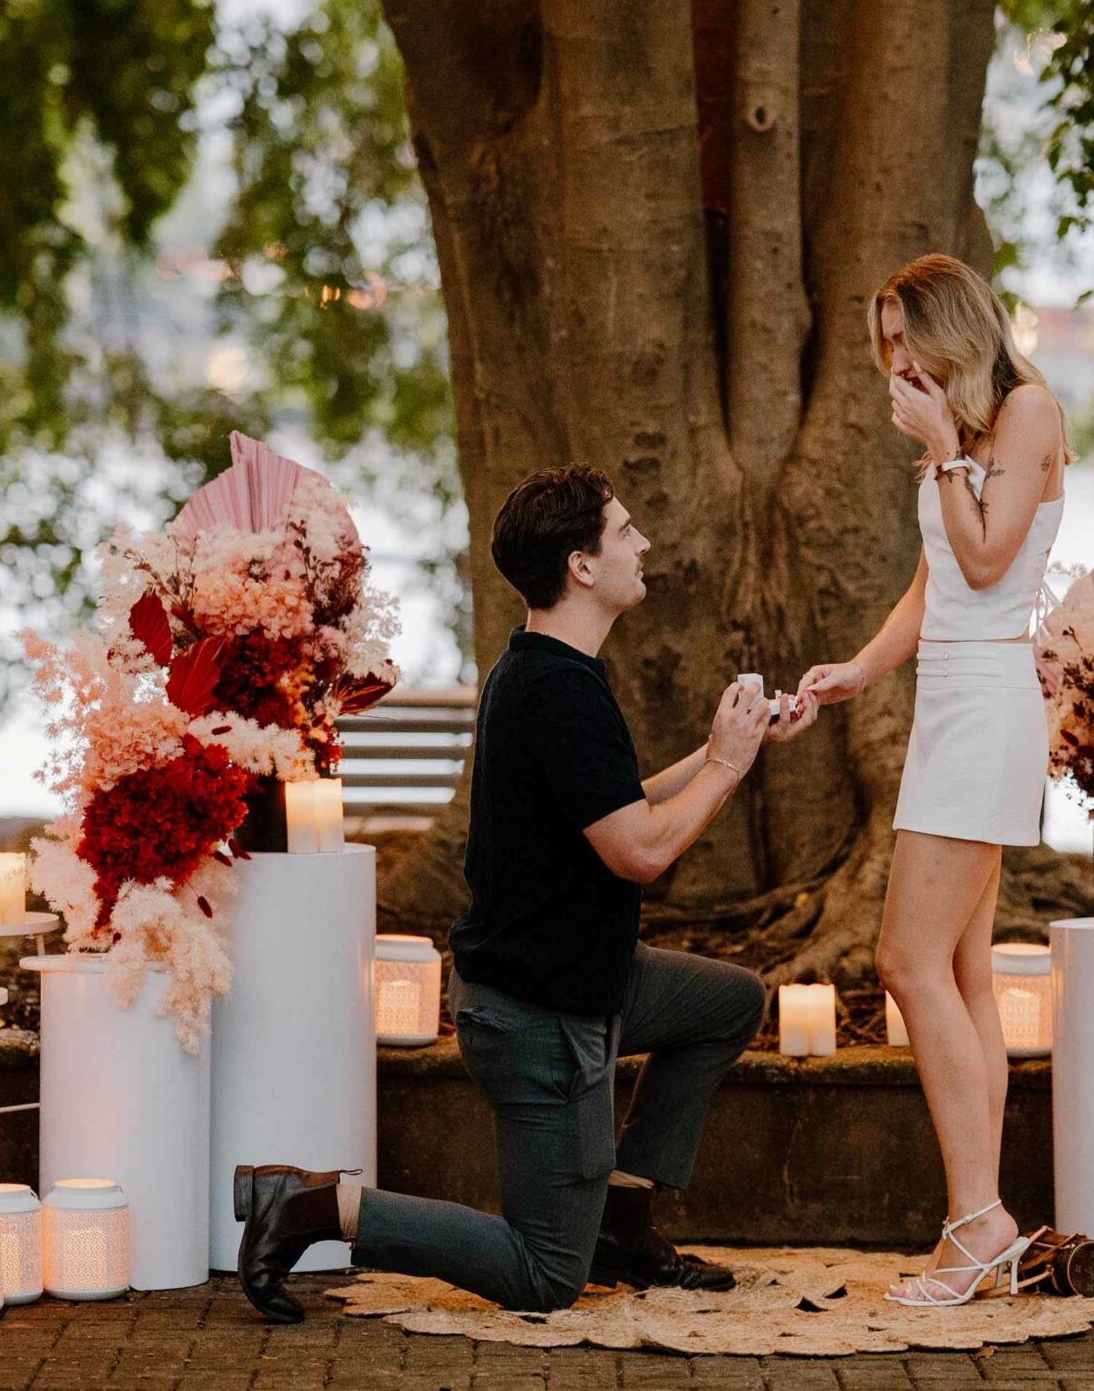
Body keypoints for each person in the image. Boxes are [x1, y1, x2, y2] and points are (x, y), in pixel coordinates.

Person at [234, 464, 820, 1322]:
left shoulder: (550, 670)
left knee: (727, 1002)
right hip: (540, 1020)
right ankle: (313, 1205)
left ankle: (621, 1222)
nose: (643, 543)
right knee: (547, 1275)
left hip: (588, 981)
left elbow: (619, 808)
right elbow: (640, 852)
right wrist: (727, 767)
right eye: (624, 531)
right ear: (582, 565)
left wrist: (732, 747)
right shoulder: (555, 690)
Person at [797, 254, 1069, 1306]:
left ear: (954, 327)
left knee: (902, 959)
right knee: (959, 973)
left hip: (991, 706)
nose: (893, 361)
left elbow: (993, 562)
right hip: (946, 706)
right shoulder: (958, 442)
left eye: (905, 338)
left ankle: (978, 1220)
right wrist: (859, 670)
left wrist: (948, 448)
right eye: (884, 344)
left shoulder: (1025, 413)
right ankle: (980, 1215)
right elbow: (934, 579)